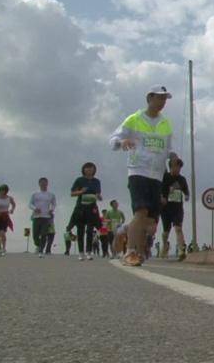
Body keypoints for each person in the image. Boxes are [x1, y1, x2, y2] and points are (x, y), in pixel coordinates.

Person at [110, 85, 178, 267]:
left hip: (157, 175)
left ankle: (124, 231)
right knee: (141, 212)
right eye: (159, 98)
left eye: (165, 99)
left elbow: (169, 147)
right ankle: (131, 252)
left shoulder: (165, 123)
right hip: (138, 170)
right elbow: (113, 140)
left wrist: (172, 156)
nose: (163, 102)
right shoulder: (135, 118)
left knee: (150, 222)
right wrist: (121, 141)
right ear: (150, 98)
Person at [66, 162, 102, 261]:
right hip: (81, 207)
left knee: (90, 230)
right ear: (84, 169)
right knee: (80, 229)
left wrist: (99, 197)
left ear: (94, 170)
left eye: (91, 168)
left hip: (92, 207)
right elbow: (72, 193)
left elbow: (98, 194)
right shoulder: (79, 180)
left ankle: (89, 252)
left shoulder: (96, 181)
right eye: (87, 168)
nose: (90, 170)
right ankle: (81, 253)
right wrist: (81, 192)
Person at [161, 157, 190, 261]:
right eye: (176, 167)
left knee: (178, 228)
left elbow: (186, 190)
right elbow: (160, 190)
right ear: (171, 167)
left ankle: (182, 250)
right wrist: (163, 197)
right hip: (166, 208)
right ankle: (165, 245)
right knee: (166, 232)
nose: (178, 170)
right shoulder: (165, 177)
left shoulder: (182, 179)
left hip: (178, 208)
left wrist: (187, 196)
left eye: (179, 168)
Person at [28, 177, 56, 258]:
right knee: (35, 234)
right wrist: (35, 208)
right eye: (42, 183)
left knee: (44, 233)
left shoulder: (51, 194)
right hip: (36, 216)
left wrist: (51, 209)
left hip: (46, 217)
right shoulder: (35, 194)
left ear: (47, 184)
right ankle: (38, 245)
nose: (43, 184)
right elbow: (30, 204)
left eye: (45, 182)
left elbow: (54, 204)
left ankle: (41, 251)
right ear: (39, 184)